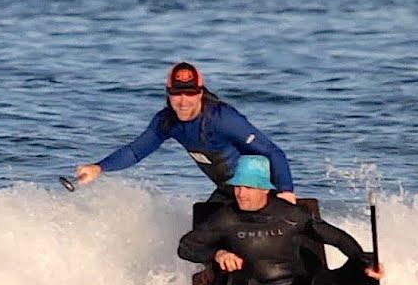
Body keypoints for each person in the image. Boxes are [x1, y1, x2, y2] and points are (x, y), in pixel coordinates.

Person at [176, 155, 384, 285]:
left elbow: (337, 238)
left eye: (248, 188)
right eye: (237, 187)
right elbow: (186, 247)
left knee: (322, 272)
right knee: (237, 277)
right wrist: (217, 254)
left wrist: (364, 263)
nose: (240, 193)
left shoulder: (291, 215)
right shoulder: (225, 218)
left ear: (265, 189)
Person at [73, 61, 299, 207]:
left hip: (257, 194)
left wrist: (286, 191)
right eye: (176, 94)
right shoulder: (167, 121)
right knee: (200, 238)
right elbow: (135, 151)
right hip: (227, 192)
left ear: (200, 93)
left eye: (190, 93)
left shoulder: (223, 119)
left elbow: (272, 151)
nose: (183, 102)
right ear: (168, 94)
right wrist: (99, 167)